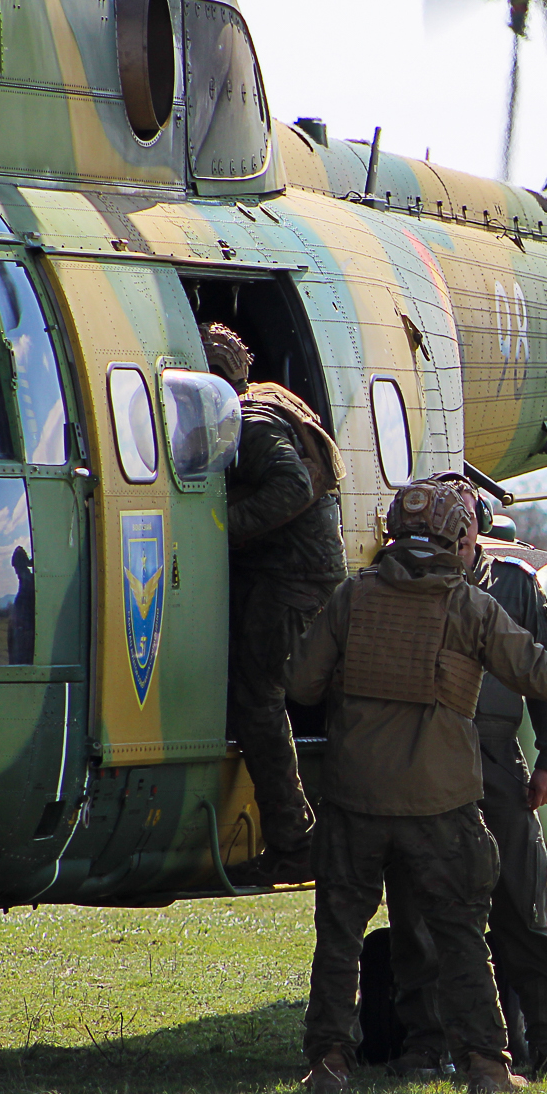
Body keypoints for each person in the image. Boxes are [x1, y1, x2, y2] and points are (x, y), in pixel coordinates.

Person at [286, 477, 547, 1094]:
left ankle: (329, 1061)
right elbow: (545, 675)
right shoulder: (469, 606)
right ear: (456, 538)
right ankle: (488, 1067)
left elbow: (302, 685)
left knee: (339, 936)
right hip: (441, 808)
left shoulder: (352, 598)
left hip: (353, 802)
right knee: (463, 936)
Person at [387, 484, 547, 1080]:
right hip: (423, 757)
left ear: (480, 530)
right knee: (417, 906)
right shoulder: (399, 585)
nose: (457, 540)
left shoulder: (517, 585)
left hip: (497, 758)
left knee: (524, 902)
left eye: (465, 529)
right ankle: (426, 1043)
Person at [205, 323, 345, 886]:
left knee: (259, 699)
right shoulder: (265, 405)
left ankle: (293, 840)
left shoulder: (253, 424)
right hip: (290, 573)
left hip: (291, 577)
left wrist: (216, 530)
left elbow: (290, 486)